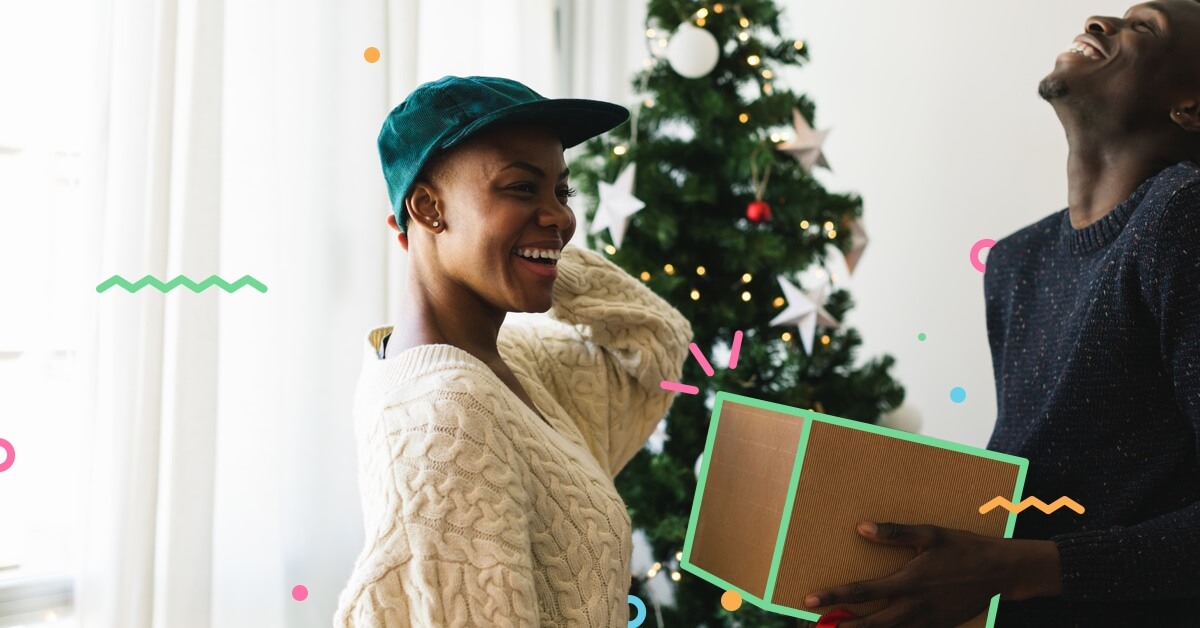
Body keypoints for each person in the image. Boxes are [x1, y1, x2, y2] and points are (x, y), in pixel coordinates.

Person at [802, 1, 1200, 626]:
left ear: (1191, 107)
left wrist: (1009, 571)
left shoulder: (1180, 217)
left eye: (1144, 27)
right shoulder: (1016, 260)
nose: (1101, 22)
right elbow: (1044, 482)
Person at [333, 76, 693, 626]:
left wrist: (531, 252)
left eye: (562, 192)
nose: (563, 216)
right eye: (523, 188)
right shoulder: (444, 423)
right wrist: (523, 248)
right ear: (428, 208)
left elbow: (656, 341)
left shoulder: (506, 360)